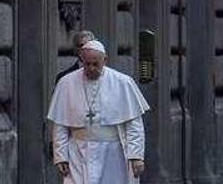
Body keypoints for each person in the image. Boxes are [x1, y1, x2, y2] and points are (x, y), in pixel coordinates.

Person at [46, 40, 150, 183]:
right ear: (81, 59)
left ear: (105, 60)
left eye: (96, 64)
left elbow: (134, 125)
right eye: (87, 64)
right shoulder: (66, 83)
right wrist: (61, 156)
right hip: (78, 152)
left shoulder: (122, 82)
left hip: (113, 154)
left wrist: (137, 156)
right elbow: (60, 125)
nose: (91, 68)